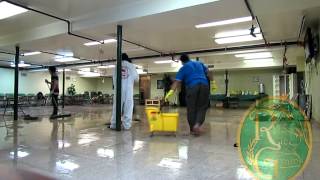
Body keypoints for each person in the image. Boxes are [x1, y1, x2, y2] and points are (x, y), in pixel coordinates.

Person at [165, 54, 210, 135]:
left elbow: (177, 82)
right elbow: (208, 72)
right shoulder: (199, 63)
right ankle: (198, 124)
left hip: (192, 86)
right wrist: (213, 83)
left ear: (182, 62)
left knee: (191, 109)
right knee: (202, 108)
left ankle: (193, 129)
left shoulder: (183, 68)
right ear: (189, 58)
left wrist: (169, 93)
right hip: (204, 85)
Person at [110, 53, 139, 130]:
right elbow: (136, 78)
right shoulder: (131, 66)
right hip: (128, 90)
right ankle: (126, 125)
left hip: (118, 90)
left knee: (116, 107)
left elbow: (113, 79)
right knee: (128, 107)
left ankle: (114, 124)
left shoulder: (117, 66)